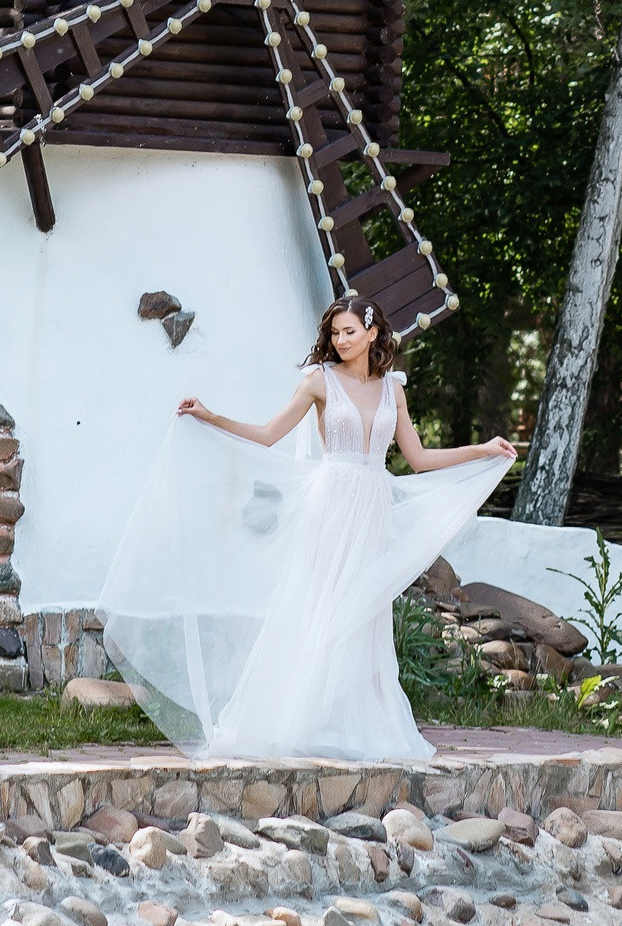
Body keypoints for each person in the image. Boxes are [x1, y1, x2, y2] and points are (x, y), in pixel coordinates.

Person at [97, 296, 517, 760]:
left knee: (364, 615)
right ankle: (295, 720)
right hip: (332, 504)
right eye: (335, 334)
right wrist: (210, 416)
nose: (340, 341)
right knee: (319, 608)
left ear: (373, 333)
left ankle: (361, 727)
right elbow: (269, 434)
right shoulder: (320, 382)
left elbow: (418, 460)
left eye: (350, 332)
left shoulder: (391, 389)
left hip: (373, 507)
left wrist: (482, 450)